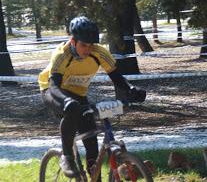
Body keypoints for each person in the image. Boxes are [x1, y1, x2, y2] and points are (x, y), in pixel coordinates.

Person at [38, 16, 146, 180]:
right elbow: (54, 87)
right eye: (83, 45)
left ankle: (94, 173)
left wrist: (131, 90)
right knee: (71, 112)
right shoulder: (62, 54)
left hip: (78, 94)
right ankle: (66, 156)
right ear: (73, 41)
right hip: (52, 91)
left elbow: (117, 78)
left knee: (91, 138)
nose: (87, 49)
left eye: (91, 45)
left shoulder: (99, 52)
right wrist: (66, 102)